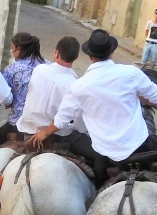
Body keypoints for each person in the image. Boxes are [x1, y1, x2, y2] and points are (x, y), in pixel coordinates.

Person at [30, 29, 157, 215]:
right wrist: (137, 97)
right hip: (141, 145)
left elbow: (62, 120)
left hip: (105, 155)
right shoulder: (131, 73)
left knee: (92, 181)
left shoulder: (79, 86)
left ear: (90, 56)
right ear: (111, 53)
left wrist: (44, 133)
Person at [17, 36, 98, 168]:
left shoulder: (39, 70)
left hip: (28, 133)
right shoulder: (74, 84)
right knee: (98, 155)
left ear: (56, 53)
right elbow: (78, 123)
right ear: (76, 57)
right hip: (57, 138)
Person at [0, 32, 46, 144]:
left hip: (18, 122)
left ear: (18, 48)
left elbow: (6, 99)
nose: (12, 52)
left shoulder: (11, 69)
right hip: (43, 123)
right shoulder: (47, 65)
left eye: (12, 48)